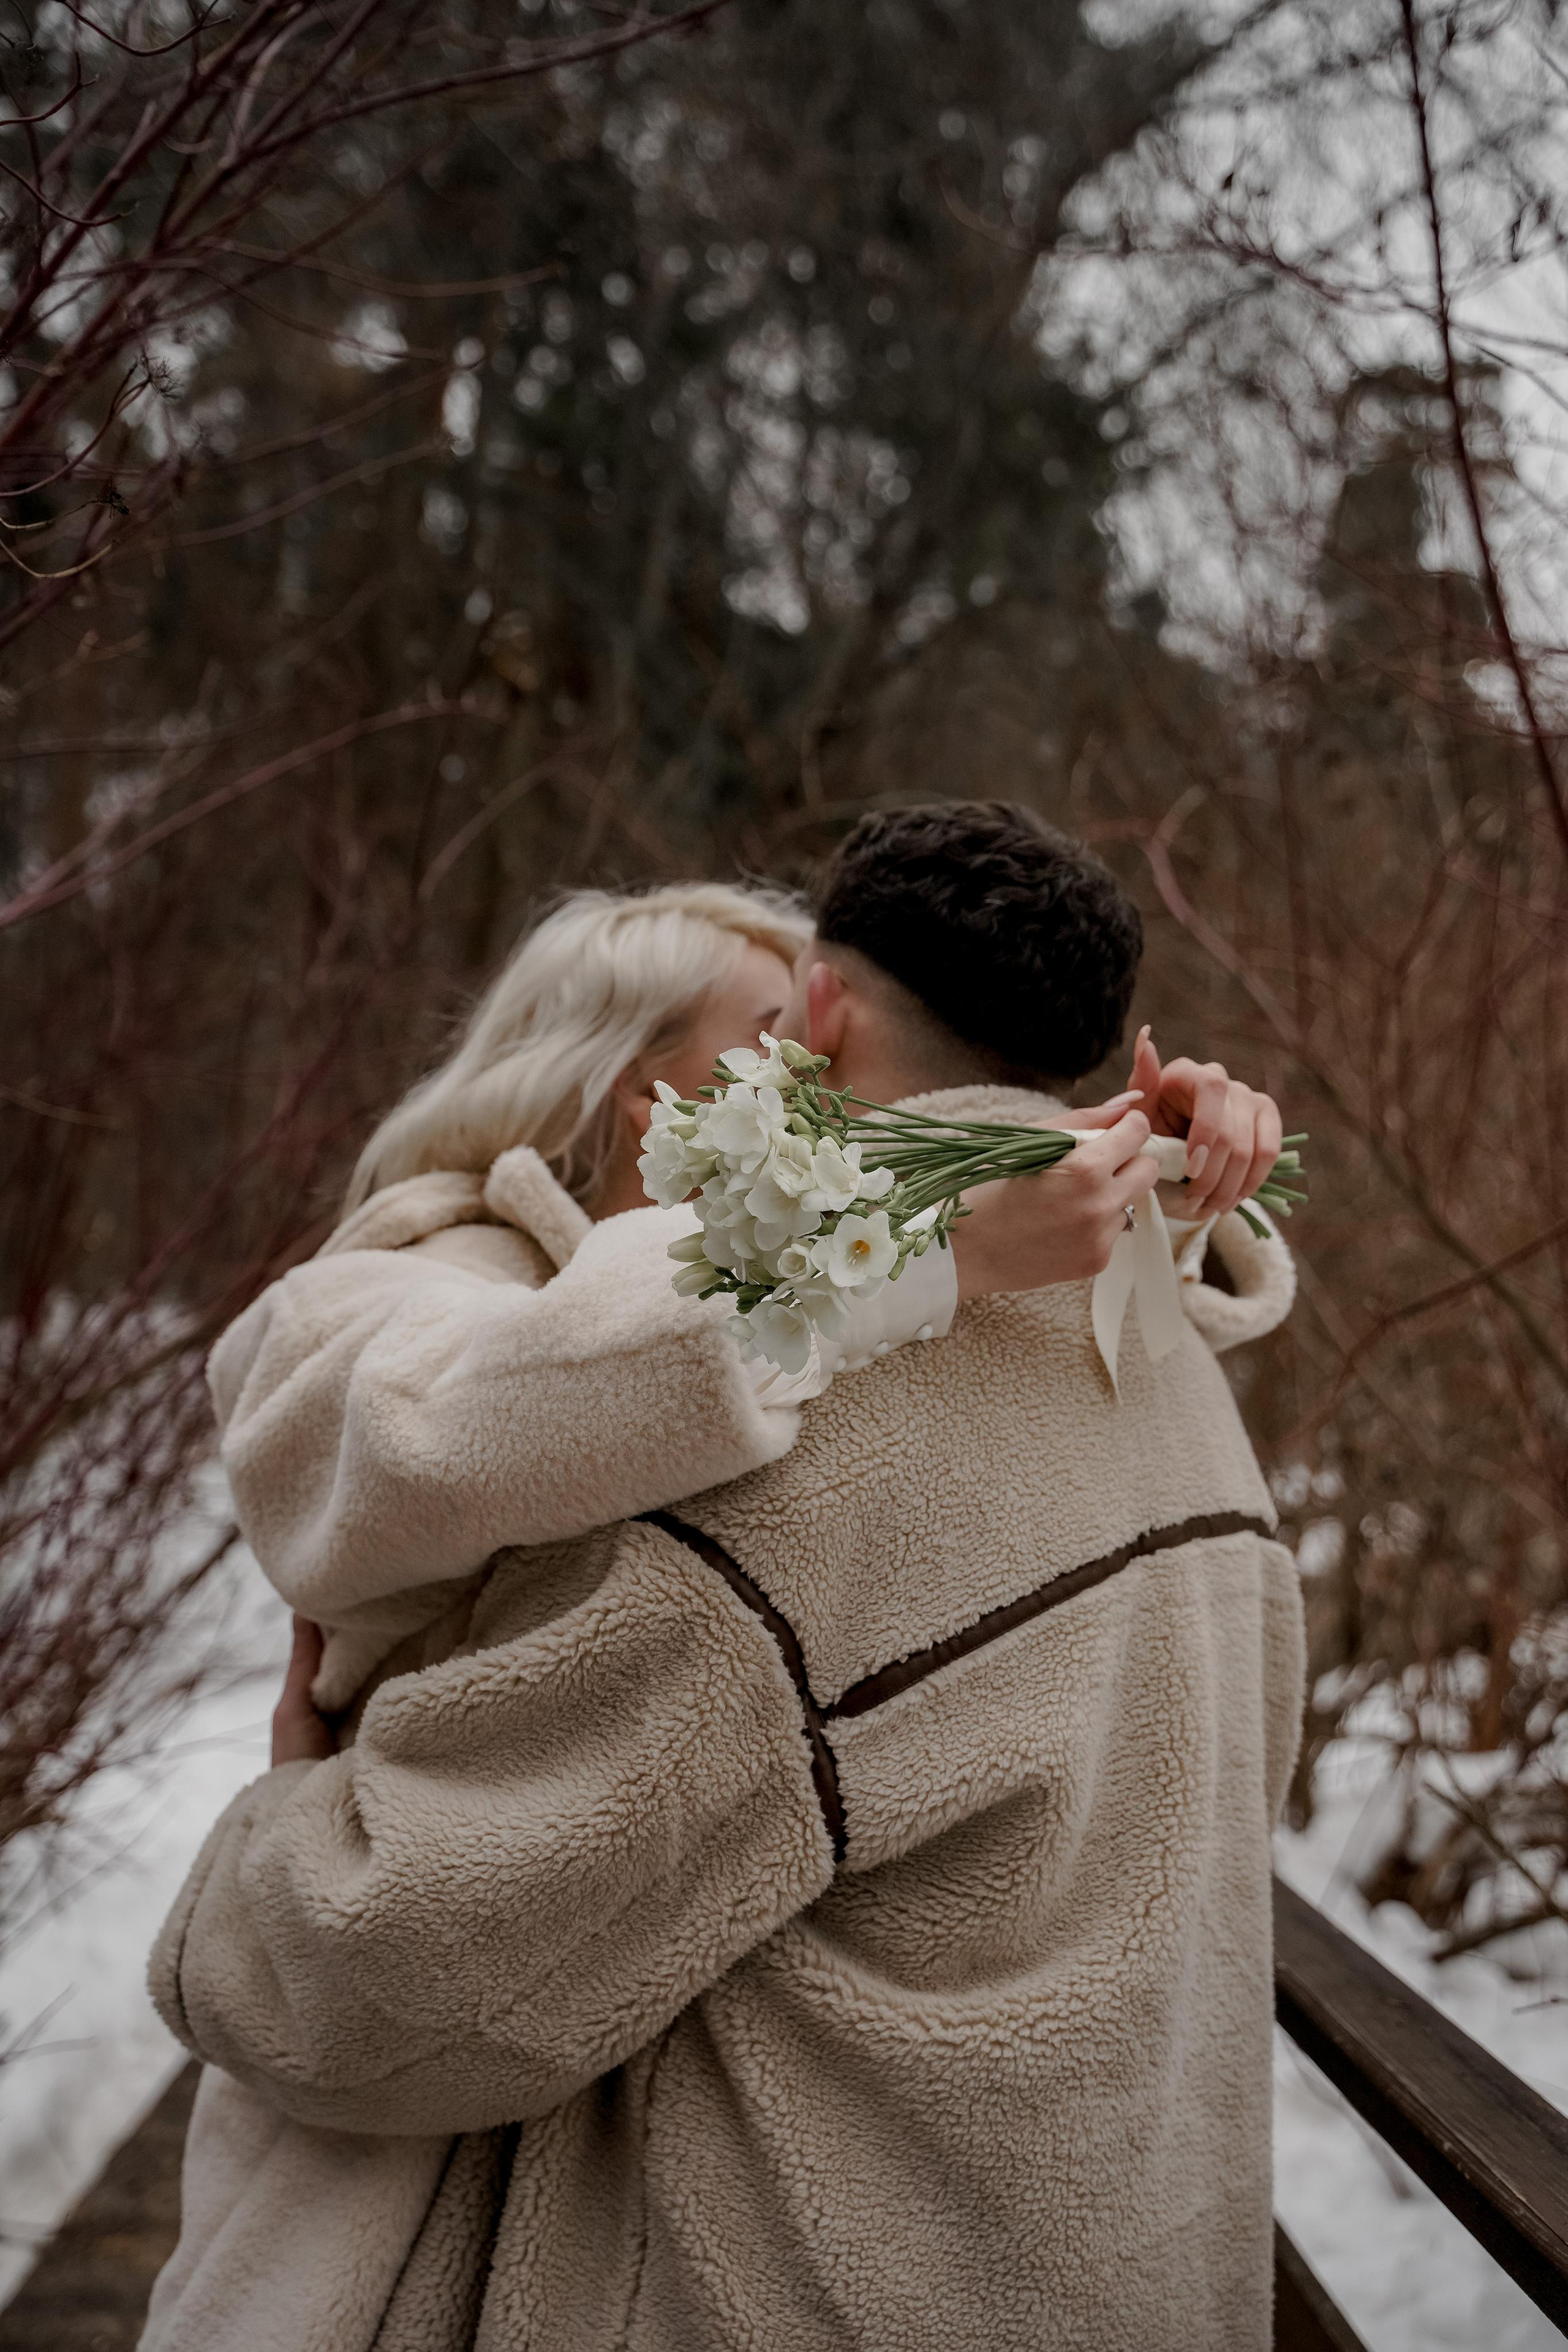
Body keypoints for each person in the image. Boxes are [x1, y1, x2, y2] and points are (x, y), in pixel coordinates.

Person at [143, 807, 1302, 2352]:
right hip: (1121, 2268)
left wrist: (274, 1829)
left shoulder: (788, 1483)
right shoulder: (1164, 1389)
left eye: (784, 1022)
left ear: (827, 1012)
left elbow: (390, 1987)